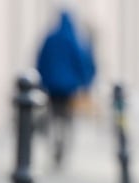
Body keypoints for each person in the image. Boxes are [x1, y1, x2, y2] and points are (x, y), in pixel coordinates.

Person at [35, 9, 96, 168]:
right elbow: (83, 62)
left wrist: (40, 80)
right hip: (69, 87)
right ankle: (63, 142)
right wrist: (86, 83)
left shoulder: (50, 38)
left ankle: (54, 140)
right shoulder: (75, 40)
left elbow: (41, 60)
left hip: (52, 86)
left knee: (53, 114)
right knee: (67, 117)